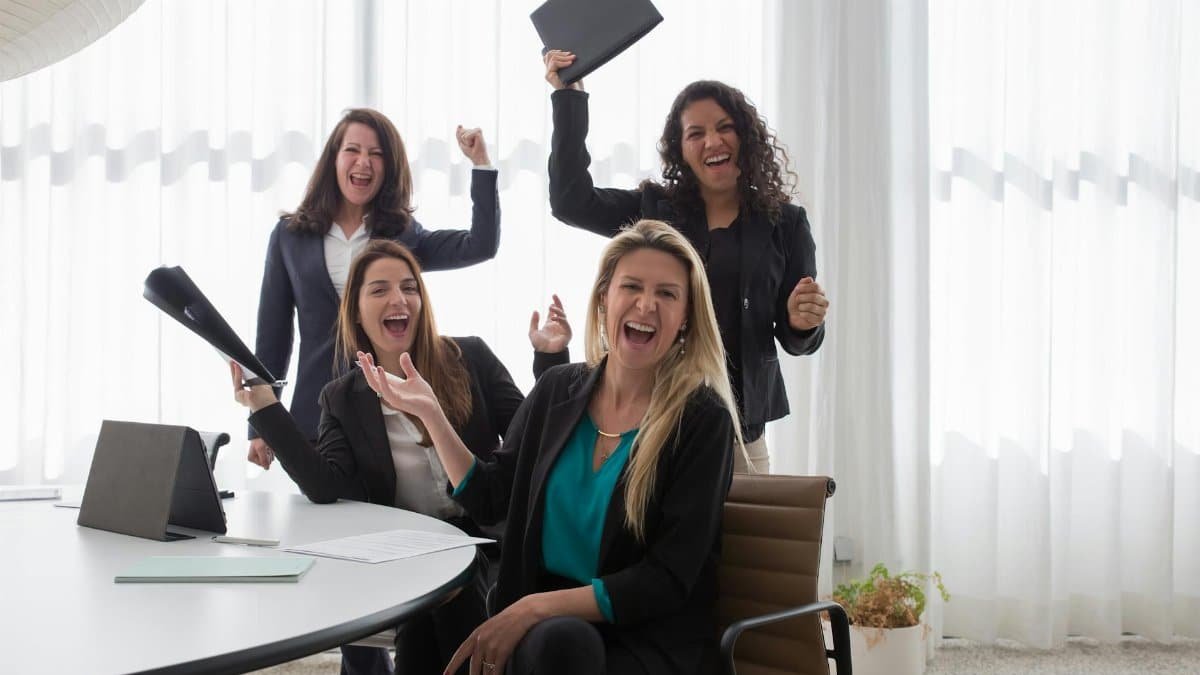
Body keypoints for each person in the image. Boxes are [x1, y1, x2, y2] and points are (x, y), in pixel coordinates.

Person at [357, 220, 742, 675]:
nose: (646, 305)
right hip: (541, 621)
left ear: (685, 318)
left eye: (667, 294)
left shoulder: (701, 419)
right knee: (431, 612)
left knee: (557, 641)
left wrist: (535, 609)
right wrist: (432, 416)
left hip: (639, 634)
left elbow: (667, 579)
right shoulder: (558, 390)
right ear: (604, 299)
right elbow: (490, 497)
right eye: (632, 286)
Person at [231, 240, 569, 675]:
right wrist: (264, 407)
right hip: (409, 549)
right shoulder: (342, 397)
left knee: (452, 595)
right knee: (422, 615)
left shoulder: (471, 358)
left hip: (486, 540)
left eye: (409, 288)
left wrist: (550, 358)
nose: (399, 299)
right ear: (355, 311)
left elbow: (534, 437)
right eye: (380, 290)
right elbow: (325, 484)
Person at [543, 51, 830, 473]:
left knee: (743, 541)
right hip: (653, 416)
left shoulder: (785, 223)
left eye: (724, 128)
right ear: (681, 150)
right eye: (696, 133)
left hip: (740, 431)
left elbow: (797, 338)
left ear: (745, 138)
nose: (712, 142)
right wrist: (570, 100)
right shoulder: (654, 209)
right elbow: (571, 202)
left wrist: (803, 322)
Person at [251, 108, 501, 471]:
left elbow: (480, 245)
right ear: (333, 159)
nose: (364, 163)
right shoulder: (290, 236)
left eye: (377, 154)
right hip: (314, 414)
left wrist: (480, 164)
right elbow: (272, 336)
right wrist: (260, 423)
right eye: (353, 150)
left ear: (390, 168)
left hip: (388, 414)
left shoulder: (404, 235)